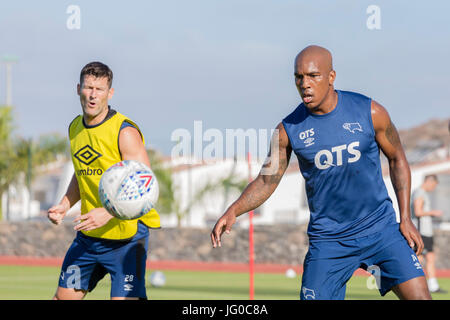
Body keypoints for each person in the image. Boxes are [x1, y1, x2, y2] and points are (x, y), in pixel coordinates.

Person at [211, 45, 431, 300]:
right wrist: (233, 210)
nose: (305, 83)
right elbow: (266, 180)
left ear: (331, 77)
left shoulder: (370, 112)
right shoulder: (287, 130)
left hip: (380, 230)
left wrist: (405, 218)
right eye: (299, 77)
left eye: (313, 76)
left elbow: (397, 159)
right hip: (329, 242)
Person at [47, 61, 160, 300]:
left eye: (99, 89)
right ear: (78, 89)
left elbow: (146, 186)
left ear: (110, 93)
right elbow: (83, 173)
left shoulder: (124, 132)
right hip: (88, 240)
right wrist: (65, 204)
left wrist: (108, 213)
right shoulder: (75, 128)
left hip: (126, 239)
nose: (92, 95)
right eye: (88, 87)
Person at [411, 174, 446, 293]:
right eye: (434, 185)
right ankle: (415, 284)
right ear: (429, 182)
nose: (433, 188)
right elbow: (418, 211)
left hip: (426, 231)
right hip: (421, 232)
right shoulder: (419, 193)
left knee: (430, 258)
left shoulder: (423, 193)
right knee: (419, 259)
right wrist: (433, 212)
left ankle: (433, 285)